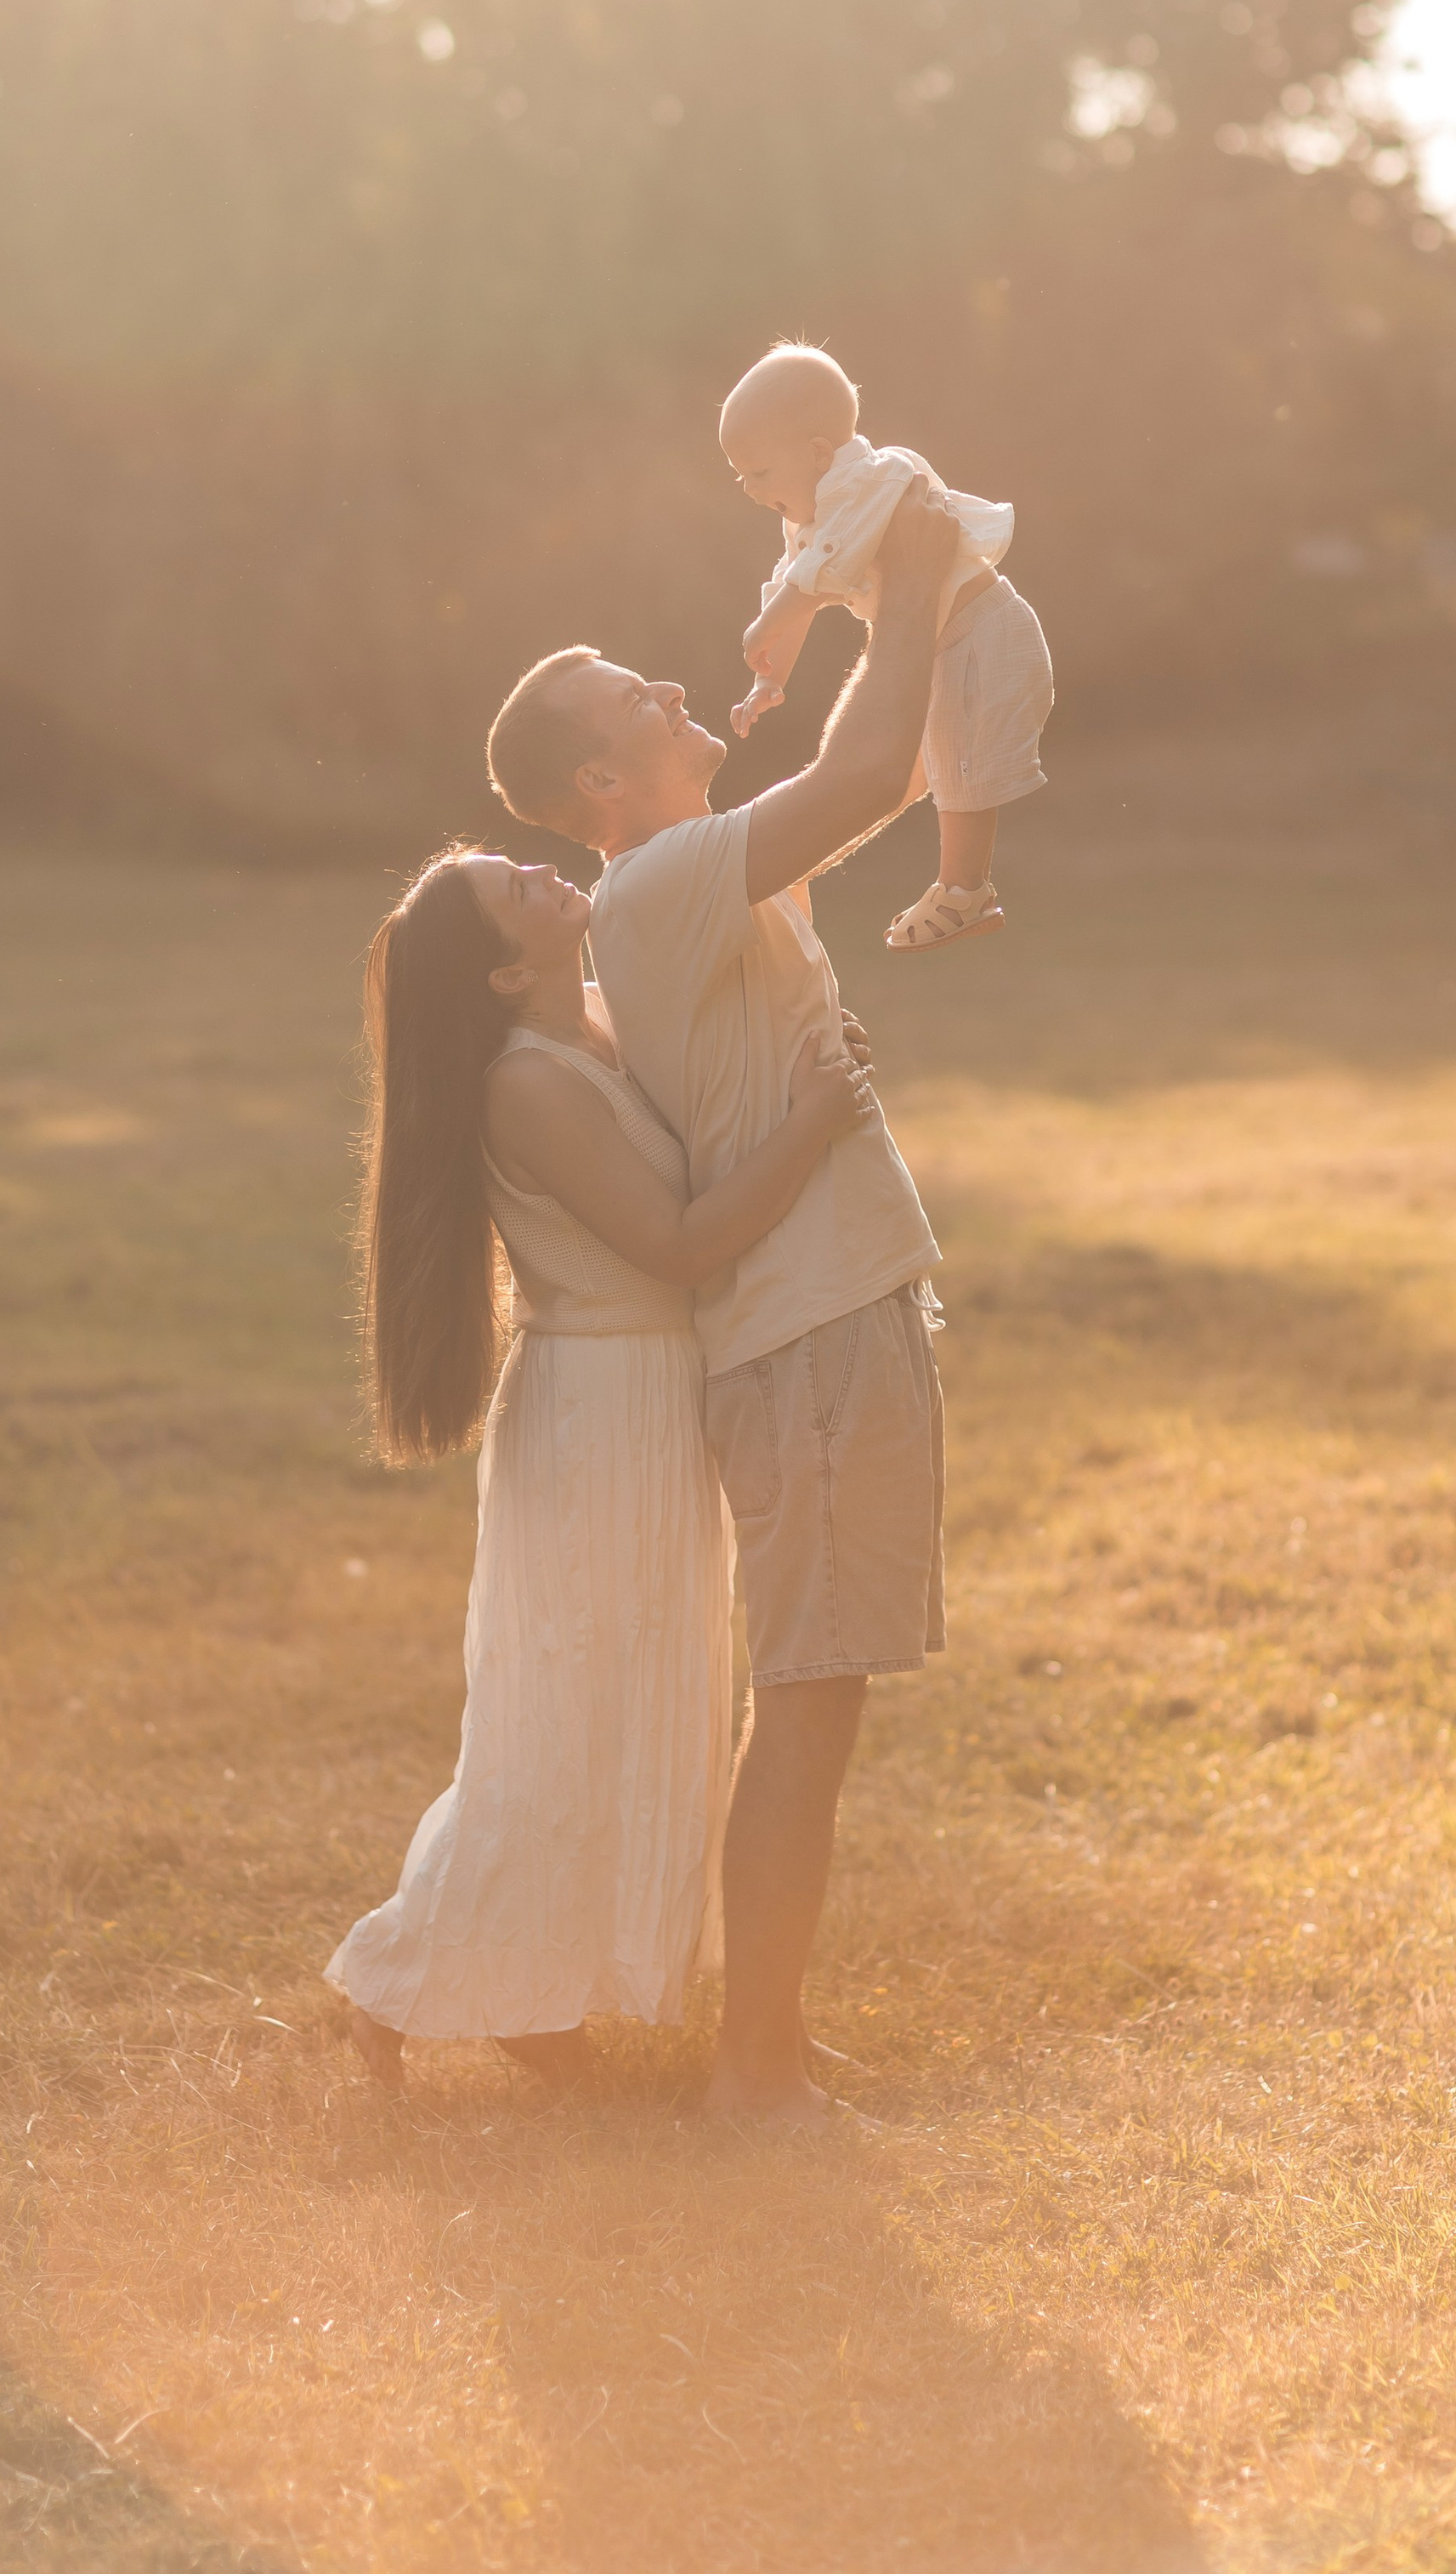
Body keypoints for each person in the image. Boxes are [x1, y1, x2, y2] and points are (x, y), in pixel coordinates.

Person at [483, 478, 961, 2128]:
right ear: (599, 785)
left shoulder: (688, 876)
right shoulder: (663, 880)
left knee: (821, 1695)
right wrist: (906, 572)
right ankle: (755, 2071)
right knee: (809, 1704)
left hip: (833, 1314)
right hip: (810, 1332)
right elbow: (868, 771)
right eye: (636, 693)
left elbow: (885, 766)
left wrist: (868, 595)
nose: (674, 684)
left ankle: (772, 2040)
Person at [325, 844, 878, 2093]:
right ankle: (398, 1976)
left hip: (655, 1401)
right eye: (513, 888)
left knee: (626, 1705)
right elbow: (676, 1242)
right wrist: (812, 1120)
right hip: (596, 1410)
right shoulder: (527, 1083)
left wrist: (799, 1061)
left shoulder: (594, 1022)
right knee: (560, 1715)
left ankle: (532, 1989)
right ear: (503, 970)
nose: (539, 868)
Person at [720, 342, 1055, 955]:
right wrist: (770, 675)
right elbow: (795, 585)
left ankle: (965, 889)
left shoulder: (876, 478)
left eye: (759, 472)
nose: (747, 488)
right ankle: (799, 865)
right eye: (739, 475)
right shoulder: (810, 518)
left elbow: (824, 572)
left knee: (960, 760)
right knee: (914, 765)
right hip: (943, 641)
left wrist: (767, 623)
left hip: (980, 630)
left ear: (818, 452)